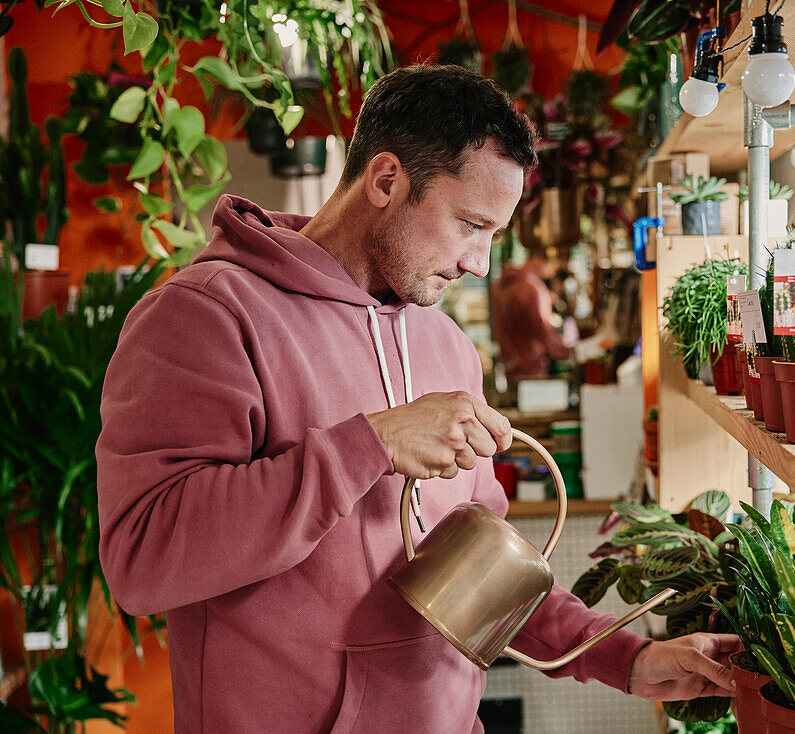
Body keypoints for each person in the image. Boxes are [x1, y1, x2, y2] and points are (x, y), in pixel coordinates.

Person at [96, 65, 740, 733]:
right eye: (470, 224)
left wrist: (627, 660)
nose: (480, 263)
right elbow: (143, 561)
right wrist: (367, 444)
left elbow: (482, 571)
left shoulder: (449, 347)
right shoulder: (207, 316)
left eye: (494, 234)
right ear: (385, 181)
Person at [491, 243, 572, 379]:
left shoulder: (506, 283)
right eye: (554, 265)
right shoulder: (533, 288)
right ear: (540, 259)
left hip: (510, 365)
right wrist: (568, 351)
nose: (553, 272)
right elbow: (542, 331)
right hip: (531, 368)